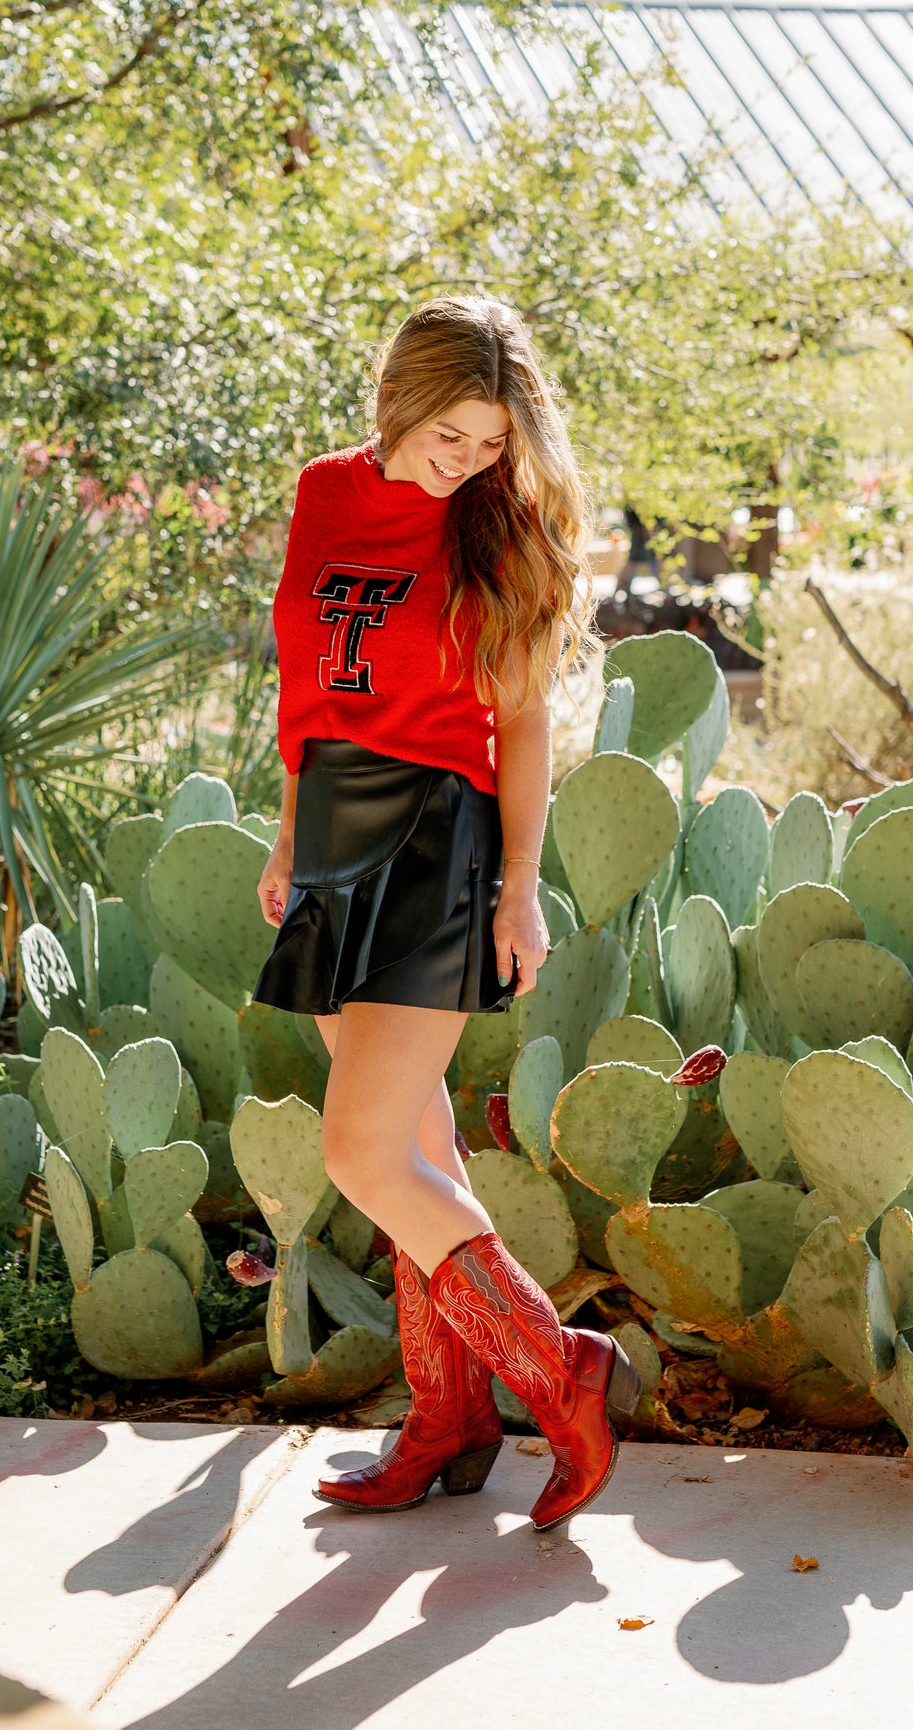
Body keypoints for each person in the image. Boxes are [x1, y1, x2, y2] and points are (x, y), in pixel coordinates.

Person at [252, 295, 640, 1533]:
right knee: (417, 1153)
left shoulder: (497, 529)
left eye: (489, 440)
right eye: (452, 434)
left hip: (435, 834)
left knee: (364, 1153)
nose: (469, 459)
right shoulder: (324, 493)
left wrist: (518, 882)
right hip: (332, 837)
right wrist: (287, 827)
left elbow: (519, 722)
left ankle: (559, 1369)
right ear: (402, 396)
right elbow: (304, 678)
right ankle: (449, 1420)